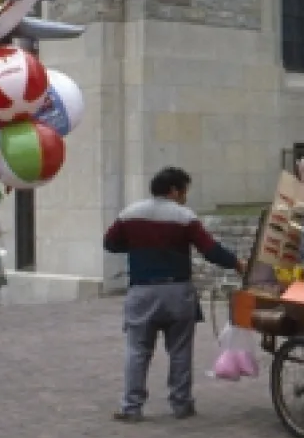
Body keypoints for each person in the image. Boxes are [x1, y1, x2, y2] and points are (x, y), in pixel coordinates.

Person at [104, 166, 243, 423]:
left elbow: (110, 243)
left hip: (142, 291)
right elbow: (210, 250)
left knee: (137, 351)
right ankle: (181, 404)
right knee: (180, 350)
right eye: (184, 191)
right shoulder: (184, 217)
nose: (185, 196)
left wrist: (137, 248)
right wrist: (237, 263)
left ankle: (131, 407)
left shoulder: (130, 213)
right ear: (174, 190)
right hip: (178, 291)